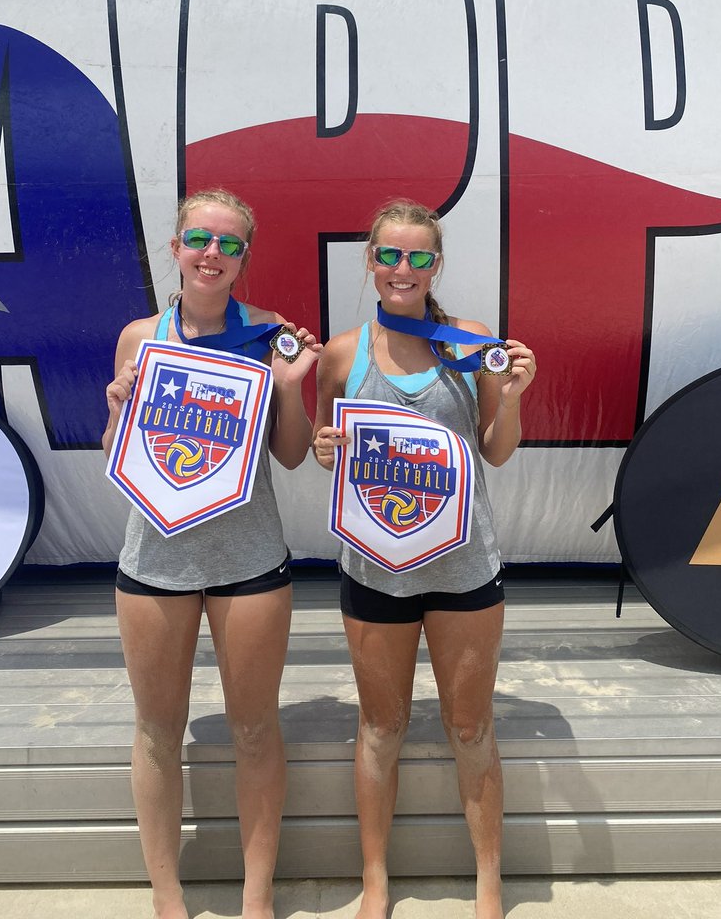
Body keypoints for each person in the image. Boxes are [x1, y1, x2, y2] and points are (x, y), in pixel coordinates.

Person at [313, 199, 535, 919]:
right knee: (381, 727)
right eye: (389, 255)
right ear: (369, 261)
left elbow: (496, 451)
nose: (402, 269)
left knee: (470, 727)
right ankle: (375, 882)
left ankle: (489, 883)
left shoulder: (469, 341)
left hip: (464, 568)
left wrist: (517, 397)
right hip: (376, 570)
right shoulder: (343, 353)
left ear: (436, 265)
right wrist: (324, 453)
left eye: (418, 257)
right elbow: (329, 449)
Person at [103, 187, 321, 919]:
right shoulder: (140, 337)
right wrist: (117, 406)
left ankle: (256, 899)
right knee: (157, 732)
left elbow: (291, 457)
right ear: (176, 248)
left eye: (229, 244)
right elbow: (118, 454)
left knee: (256, 729)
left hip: (249, 560)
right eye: (200, 239)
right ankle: (168, 899)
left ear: (244, 259)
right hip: (154, 562)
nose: (212, 254)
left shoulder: (269, 336)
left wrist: (292, 389)